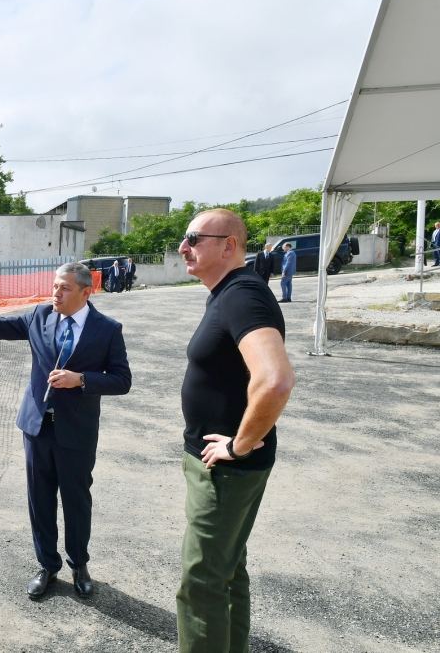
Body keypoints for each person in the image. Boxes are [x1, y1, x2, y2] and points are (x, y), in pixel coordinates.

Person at [0, 262, 131, 599]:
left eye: (63, 288)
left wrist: (82, 380)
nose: (55, 293)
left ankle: (79, 564)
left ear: (85, 292)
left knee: (77, 501)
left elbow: (122, 380)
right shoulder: (39, 317)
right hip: (36, 427)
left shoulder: (106, 329)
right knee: (40, 498)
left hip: (76, 432)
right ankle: (47, 566)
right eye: (54, 286)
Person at [175, 209, 295, 652]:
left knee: (201, 581)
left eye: (193, 238)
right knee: (227, 570)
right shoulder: (228, 292)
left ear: (229, 245)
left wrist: (238, 445)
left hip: (224, 471)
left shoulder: (242, 294)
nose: (183, 248)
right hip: (223, 466)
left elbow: (275, 379)